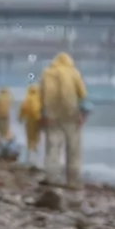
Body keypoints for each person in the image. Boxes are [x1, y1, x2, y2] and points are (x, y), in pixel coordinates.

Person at [41, 51, 87, 188]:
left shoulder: (47, 73)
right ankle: (72, 180)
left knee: (53, 147)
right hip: (71, 115)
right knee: (73, 148)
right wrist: (82, 114)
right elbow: (82, 95)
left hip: (52, 115)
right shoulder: (74, 73)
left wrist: (44, 114)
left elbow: (43, 95)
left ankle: (52, 178)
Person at [19, 81, 44, 164]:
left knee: (30, 138)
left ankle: (30, 157)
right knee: (37, 138)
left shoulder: (27, 98)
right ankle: (36, 157)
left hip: (29, 121)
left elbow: (23, 109)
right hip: (38, 120)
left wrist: (20, 118)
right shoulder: (39, 98)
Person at [0, 86, 17, 159]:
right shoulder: (9, 98)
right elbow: (12, 106)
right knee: (6, 133)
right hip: (5, 117)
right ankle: (8, 146)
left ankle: (1, 148)